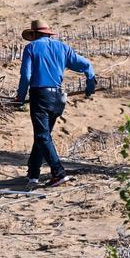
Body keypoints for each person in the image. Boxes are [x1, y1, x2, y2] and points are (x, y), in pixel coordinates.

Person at [15, 20, 97, 189]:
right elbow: (86, 64)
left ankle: (58, 173)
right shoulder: (63, 48)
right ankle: (33, 174)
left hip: (41, 97)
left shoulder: (31, 48)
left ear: (34, 34)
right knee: (43, 136)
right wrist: (90, 82)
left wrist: (20, 97)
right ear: (49, 34)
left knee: (42, 136)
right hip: (58, 98)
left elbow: (26, 76)